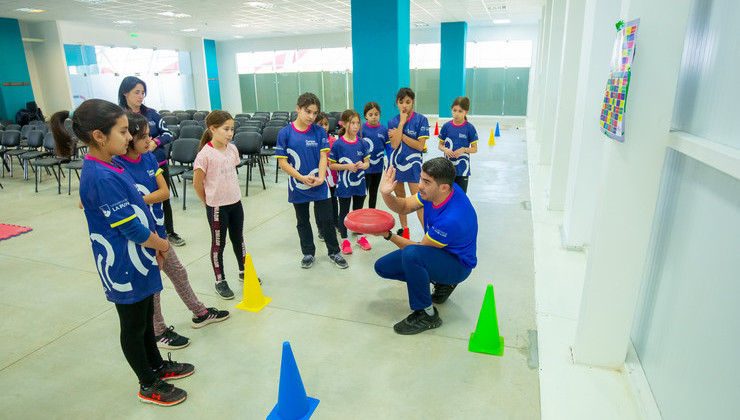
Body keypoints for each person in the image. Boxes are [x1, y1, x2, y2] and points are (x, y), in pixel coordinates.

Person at [50, 99, 193, 406]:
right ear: (99, 136)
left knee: (144, 316)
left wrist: (152, 246)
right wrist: (163, 244)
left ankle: (157, 366)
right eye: (124, 131)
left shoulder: (111, 164)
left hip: (138, 257)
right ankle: (147, 382)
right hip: (123, 264)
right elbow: (130, 228)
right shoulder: (100, 176)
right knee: (133, 325)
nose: (130, 138)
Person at [114, 112, 230, 349]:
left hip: (159, 231)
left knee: (178, 273)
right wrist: (140, 201)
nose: (150, 141)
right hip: (141, 237)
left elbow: (164, 192)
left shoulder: (147, 159)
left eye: (149, 135)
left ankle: (199, 313)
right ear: (129, 139)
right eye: (143, 137)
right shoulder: (117, 166)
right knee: (154, 286)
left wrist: (136, 201)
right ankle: (159, 331)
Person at [373, 158, 478, 335]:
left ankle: (427, 314)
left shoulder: (451, 219)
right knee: (382, 267)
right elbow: (404, 206)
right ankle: (441, 282)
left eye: (426, 182)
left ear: (444, 187)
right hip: (439, 255)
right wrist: (385, 194)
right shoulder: (438, 191)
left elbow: (418, 248)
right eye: (421, 179)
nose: (420, 185)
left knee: (413, 255)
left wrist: (389, 235)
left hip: (458, 266)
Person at [275, 92, 349, 269]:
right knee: (302, 221)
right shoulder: (285, 133)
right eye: (308, 112)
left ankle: (334, 251)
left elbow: (324, 156)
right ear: (298, 109)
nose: (311, 116)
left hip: (319, 184)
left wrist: (322, 177)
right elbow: (282, 162)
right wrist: (300, 177)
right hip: (297, 185)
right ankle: (308, 253)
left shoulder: (319, 132)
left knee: (327, 219)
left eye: (315, 113)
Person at [118, 76, 186, 247]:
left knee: (163, 200)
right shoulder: (119, 116)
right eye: (136, 92)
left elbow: (168, 133)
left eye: (143, 93)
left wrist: (156, 142)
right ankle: (145, 233)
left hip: (156, 163)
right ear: (125, 93)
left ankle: (168, 231)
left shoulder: (152, 114)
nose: (140, 96)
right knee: (138, 199)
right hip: (131, 166)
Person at [192, 111, 247, 300]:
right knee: (218, 244)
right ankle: (220, 280)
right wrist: (208, 203)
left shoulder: (232, 149)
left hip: (235, 202)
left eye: (232, 129)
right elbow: (197, 183)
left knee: (238, 239)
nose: (230, 133)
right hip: (217, 207)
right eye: (226, 129)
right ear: (213, 129)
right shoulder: (205, 154)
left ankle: (243, 270)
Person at [387, 87, 429, 238]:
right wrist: (401, 123)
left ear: (413, 103)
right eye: (401, 102)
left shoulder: (421, 120)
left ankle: (427, 233)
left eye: (408, 102)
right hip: (397, 165)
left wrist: (401, 134)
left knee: (418, 199)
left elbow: (419, 146)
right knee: (400, 199)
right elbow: (394, 145)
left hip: (414, 167)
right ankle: (405, 230)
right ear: (397, 104)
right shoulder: (393, 121)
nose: (404, 105)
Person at [328, 109, 371, 254]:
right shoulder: (338, 144)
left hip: (359, 184)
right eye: (353, 123)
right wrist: (347, 166)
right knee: (344, 212)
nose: (356, 126)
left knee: (359, 212)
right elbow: (332, 165)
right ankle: (344, 240)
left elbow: (367, 163)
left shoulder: (362, 143)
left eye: (358, 123)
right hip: (344, 186)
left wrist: (362, 165)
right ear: (345, 124)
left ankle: (361, 237)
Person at [438, 97, 478, 193]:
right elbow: (440, 145)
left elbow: (474, 149)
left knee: (460, 196)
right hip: (447, 170)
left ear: (466, 112)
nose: (456, 113)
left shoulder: (470, 128)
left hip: (462, 170)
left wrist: (464, 150)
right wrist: (445, 150)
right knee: (446, 196)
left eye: (460, 111)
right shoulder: (446, 126)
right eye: (454, 110)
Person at [314, 112, 338, 241]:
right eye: (320, 124)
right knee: (319, 204)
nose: (324, 127)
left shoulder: (333, 141)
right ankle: (321, 228)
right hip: (320, 178)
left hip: (332, 177)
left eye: (326, 124)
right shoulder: (312, 142)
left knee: (334, 201)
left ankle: (335, 222)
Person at [361, 102, 389, 209]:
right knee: (363, 193)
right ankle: (359, 213)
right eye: (371, 114)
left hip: (378, 168)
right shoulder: (362, 129)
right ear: (366, 116)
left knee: (374, 193)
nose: (374, 117)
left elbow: (388, 147)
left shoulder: (383, 130)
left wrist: (390, 160)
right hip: (365, 168)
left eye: (376, 114)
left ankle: (372, 212)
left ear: (380, 115)